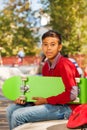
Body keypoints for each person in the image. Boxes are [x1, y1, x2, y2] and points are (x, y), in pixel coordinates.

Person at [6, 30, 80, 130]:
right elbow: (45, 91)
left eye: (52, 44)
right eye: (45, 44)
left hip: (68, 108)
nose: (48, 48)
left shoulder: (64, 64)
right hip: (52, 103)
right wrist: (26, 99)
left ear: (59, 47)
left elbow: (72, 94)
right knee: (11, 109)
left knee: (18, 115)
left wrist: (46, 100)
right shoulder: (45, 66)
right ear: (42, 47)